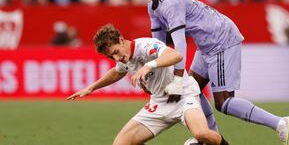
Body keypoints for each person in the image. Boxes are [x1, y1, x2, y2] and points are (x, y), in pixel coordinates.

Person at [132, 0, 289, 144]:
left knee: (223, 101)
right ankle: (210, 139)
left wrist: (174, 81)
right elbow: (159, 48)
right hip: (207, 44)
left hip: (220, 39)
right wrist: (153, 73)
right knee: (192, 89)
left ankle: (280, 123)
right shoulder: (153, 6)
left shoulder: (171, 2)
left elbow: (179, 48)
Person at [67, 24, 228, 145]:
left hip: (183, 95)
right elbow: (117, 71)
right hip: (159, 103)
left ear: (121, 41)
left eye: (116, 52)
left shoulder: (146, 46)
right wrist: (91, 88)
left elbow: (176, 56)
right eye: (111, 57)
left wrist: (149, 65)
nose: (116, 58)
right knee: (120, 144)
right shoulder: (124, 58)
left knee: (201, 134)